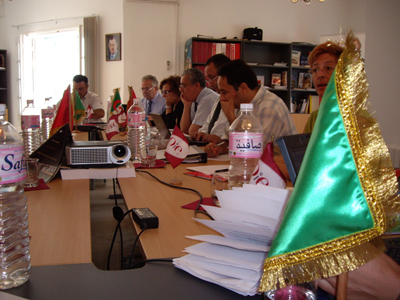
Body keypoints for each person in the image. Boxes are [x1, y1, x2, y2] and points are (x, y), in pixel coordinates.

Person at [204, 59, 297, 158]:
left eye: (224, 92)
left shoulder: (268, 108)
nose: (221, 98)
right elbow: (230, 142)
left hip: (280, 170)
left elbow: (252, 150)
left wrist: (231, 117)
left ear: (243, 88)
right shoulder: (241, 103)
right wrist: (218, 148)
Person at [303, 41, 344, 133]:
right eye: (315, 70)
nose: (320, 75)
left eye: (328, 68)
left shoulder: (355, 117)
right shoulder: (315, 117)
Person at [192, 54, 231, 147]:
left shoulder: (236, 100)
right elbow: (207, 123)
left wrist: (220, 140)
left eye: (211, 78)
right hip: (210, 146)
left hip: (222, 150)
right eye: (208, 79)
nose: (210, 84)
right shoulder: (218, 99)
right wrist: (202, 133)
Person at [179, 68, 219, 135]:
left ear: (196, 86)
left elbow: (193, 131)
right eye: (180, 86)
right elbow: (184, 129)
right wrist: (187, 105)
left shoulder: (207, 99)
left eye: (184, 85)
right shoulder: (195, 99)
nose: (181, 90)